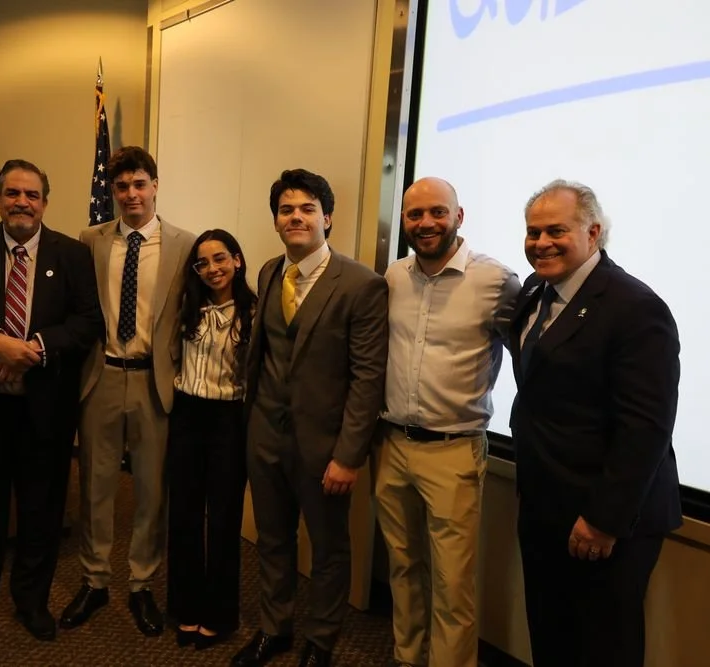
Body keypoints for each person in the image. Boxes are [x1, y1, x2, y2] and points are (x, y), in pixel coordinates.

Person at [511, 179, 681, 667]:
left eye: (556, 231)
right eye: (533, 232)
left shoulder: (636, 308)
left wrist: (603, 519)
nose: (541, 243)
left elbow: (646, 427)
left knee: (602, 646)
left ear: (593, 232)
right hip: (545, 505)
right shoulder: (533, 291)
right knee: (551, 635)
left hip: (605, 518)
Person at [0, 159, 103, 645]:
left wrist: (31, 349)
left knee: (40, 511)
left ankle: (31, 601)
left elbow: (87, 321)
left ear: (45, 203)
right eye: (13, 193)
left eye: (31, 194)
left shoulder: (71, 254)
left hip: (44, 410)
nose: (22, 202)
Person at [232, 169, 388, 667]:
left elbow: (367, 379)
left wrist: (349, 455)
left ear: (327, 218)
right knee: (272, 539)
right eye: (285, 209)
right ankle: (273, 629)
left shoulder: (361, 284)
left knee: (327, 548)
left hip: (325, 448)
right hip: (265, 437)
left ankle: (321, 639)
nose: (295, 217)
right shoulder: (268, 273)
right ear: (276, 220)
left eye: (306, 209)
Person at [375, 177, 520, 667]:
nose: (425, 223)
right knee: (402, 568)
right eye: (414, 215)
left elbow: (531, 359)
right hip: (393, 446)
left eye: (437, 212)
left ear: (459, 217)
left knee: (452, 584)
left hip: (454, 451)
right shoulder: (393, 277)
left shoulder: (497, 282)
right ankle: (407, 657)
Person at [62, 146, 196, 637]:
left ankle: (141, 585)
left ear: (155, 186)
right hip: (101, 377)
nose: (131, 194)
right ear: (112, 191)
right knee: (94, 487)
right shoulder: (89, 240)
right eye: (122, 187)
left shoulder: (185, 244)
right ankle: (95, 581)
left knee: (150, 492)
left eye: (140, 184)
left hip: (154, 382)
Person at [168, 229, 257, 652]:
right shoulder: (188, 307)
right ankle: (185, 607)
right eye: (202, 263)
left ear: (237, 260)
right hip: (187, 414)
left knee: (222, 520)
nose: (212, 269)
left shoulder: (253, 312)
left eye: (220, 259)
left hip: (229, 419)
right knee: (184, 515)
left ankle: (220, 614)